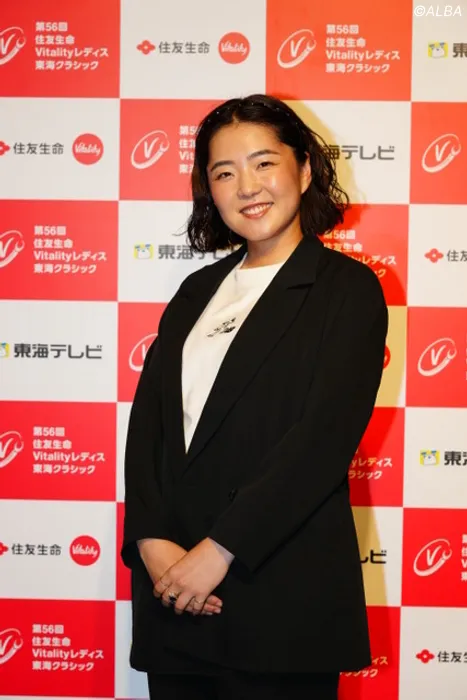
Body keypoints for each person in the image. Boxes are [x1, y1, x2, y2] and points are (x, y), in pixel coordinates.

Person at [121, 93, 388, 700]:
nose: (247, 187)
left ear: (305, 169)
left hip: (278, 592)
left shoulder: (346, 289)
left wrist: (220, 551)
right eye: (224, 173)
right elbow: (150, 428)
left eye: (264, 163)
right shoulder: (196, 291)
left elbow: (321, 441)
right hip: (175, 590)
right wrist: (151, 541)